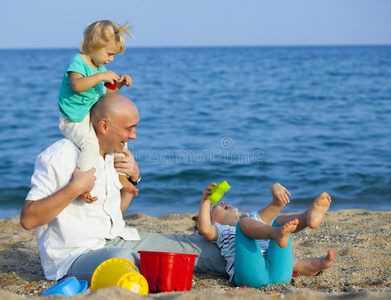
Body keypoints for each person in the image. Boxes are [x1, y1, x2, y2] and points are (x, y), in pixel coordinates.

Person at [21, 93, 334, 285]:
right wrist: (75, 187)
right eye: (129, 129)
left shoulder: (110, 156)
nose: (134, 136)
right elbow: (28, 219)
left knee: (207, 249)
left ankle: (278, 268)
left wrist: (133, 183)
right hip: (74, 256)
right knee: (123, 259)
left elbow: (110, 216)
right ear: (103, 126)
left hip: (116, 236)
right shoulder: (58, 157)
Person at [197, 182, 336, 288]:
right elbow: (204, 228)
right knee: (244, 223)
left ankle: (307, 218)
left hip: (280, 272)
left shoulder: (253, 220)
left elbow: (278, 204)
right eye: (215, 207)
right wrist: (206, 200)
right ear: (212, 221)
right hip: (251, 276)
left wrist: (275, 188)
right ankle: (277, 233)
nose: (221, 202)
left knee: (279, 221)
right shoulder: (221, 230)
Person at [58, 20, 136, 199]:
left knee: (118, 139)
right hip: (74, 119)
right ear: (93, 45)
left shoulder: (99, 67)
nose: (111, 59)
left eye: (114, 55)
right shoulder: (78, 62)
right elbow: (77, 85)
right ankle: (81, 185)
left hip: (90, 115)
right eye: (109, 54)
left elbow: (105, 94)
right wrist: (100, 75)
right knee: (91, 145)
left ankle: (121, 177)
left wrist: (120, 84)